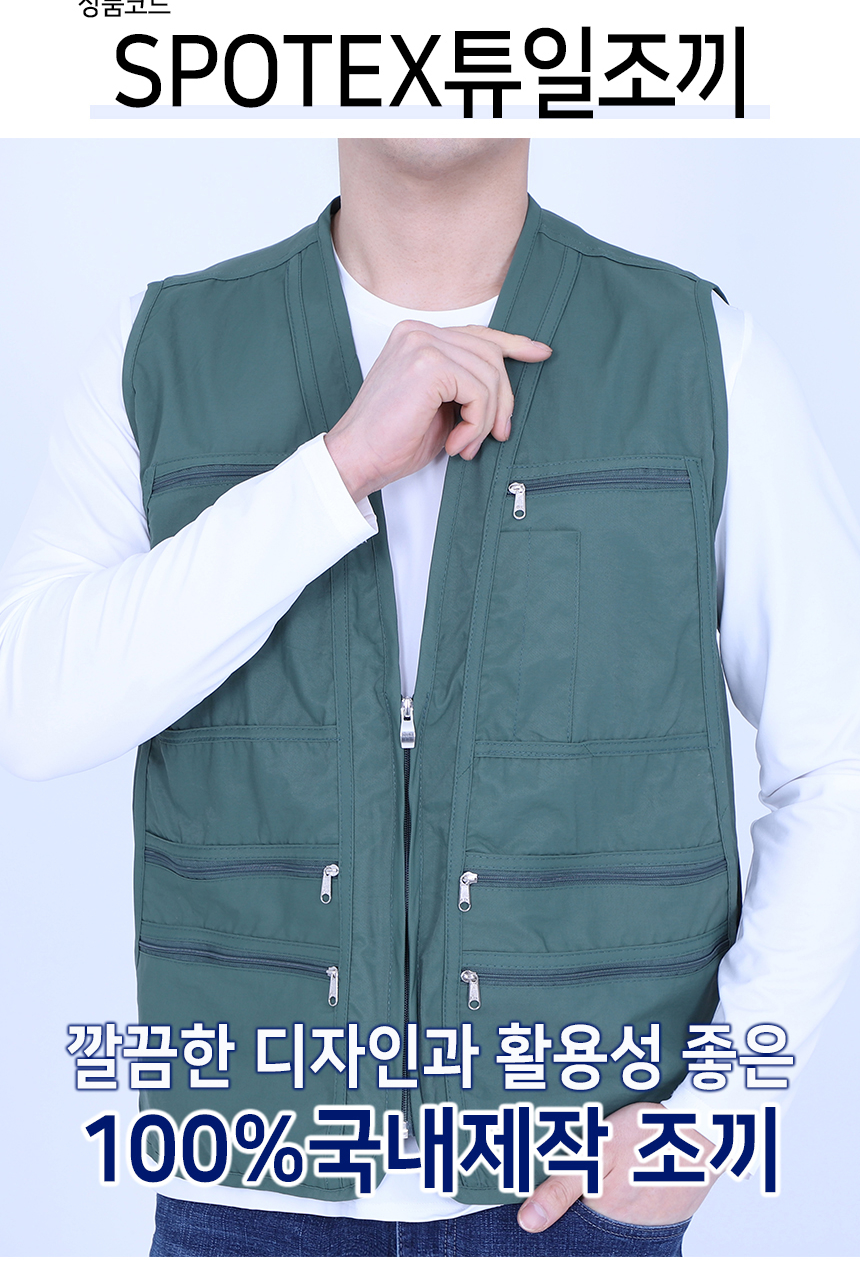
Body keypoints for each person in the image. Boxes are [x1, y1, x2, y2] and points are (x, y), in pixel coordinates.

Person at [1, 138, 859, 1258]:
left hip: (571, 1200)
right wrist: (334, 472)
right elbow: (34, 710)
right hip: (242, 1195)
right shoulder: (164, 348)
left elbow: (833, 761)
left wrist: (708, 1122)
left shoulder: (697, 352)